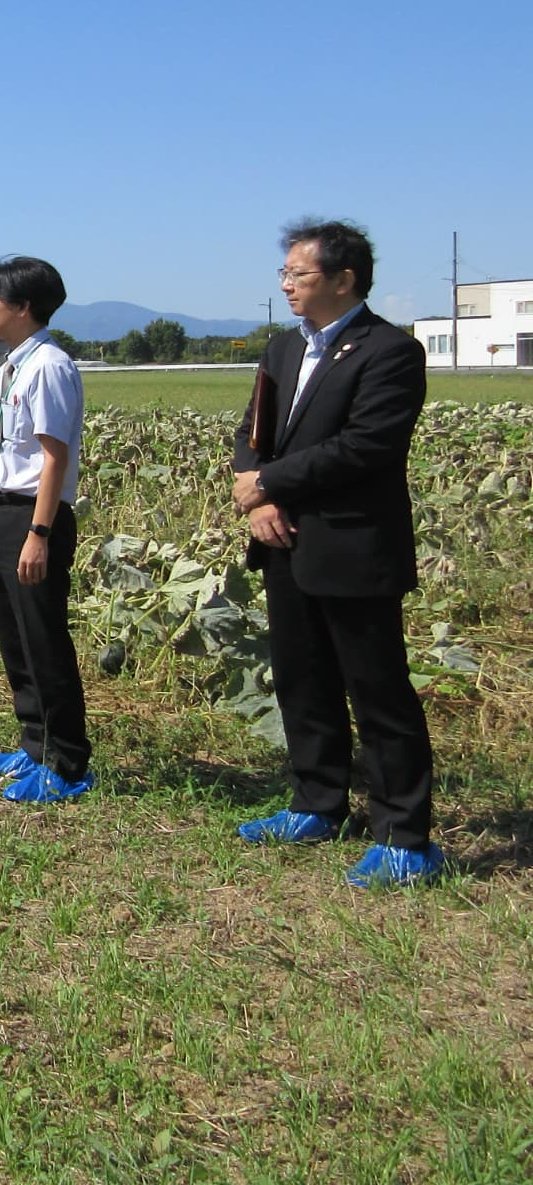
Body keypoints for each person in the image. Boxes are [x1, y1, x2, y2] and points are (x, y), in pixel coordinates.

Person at [231, 219, 442, 887]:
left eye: (300, 274)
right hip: (284, 541)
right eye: (285, 274)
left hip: (353, 546)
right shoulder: (283, 350)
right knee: (302, 680)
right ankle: (318, 802)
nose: (289, 284)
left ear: (345, 280)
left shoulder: (390, 352)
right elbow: (253, 433)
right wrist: (259, 499)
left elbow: (366, 446)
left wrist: (269, 481)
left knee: (377, 690)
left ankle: (405, 835)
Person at [0, 257, 95, 803]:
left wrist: (39, 532)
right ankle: (35, 743)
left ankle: (67, 762)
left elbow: (53, 458)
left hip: (34, 514)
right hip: (4, 510)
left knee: (44, 639)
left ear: (23, 307)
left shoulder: (49, 365)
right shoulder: (9, 366)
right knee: (15, 635)